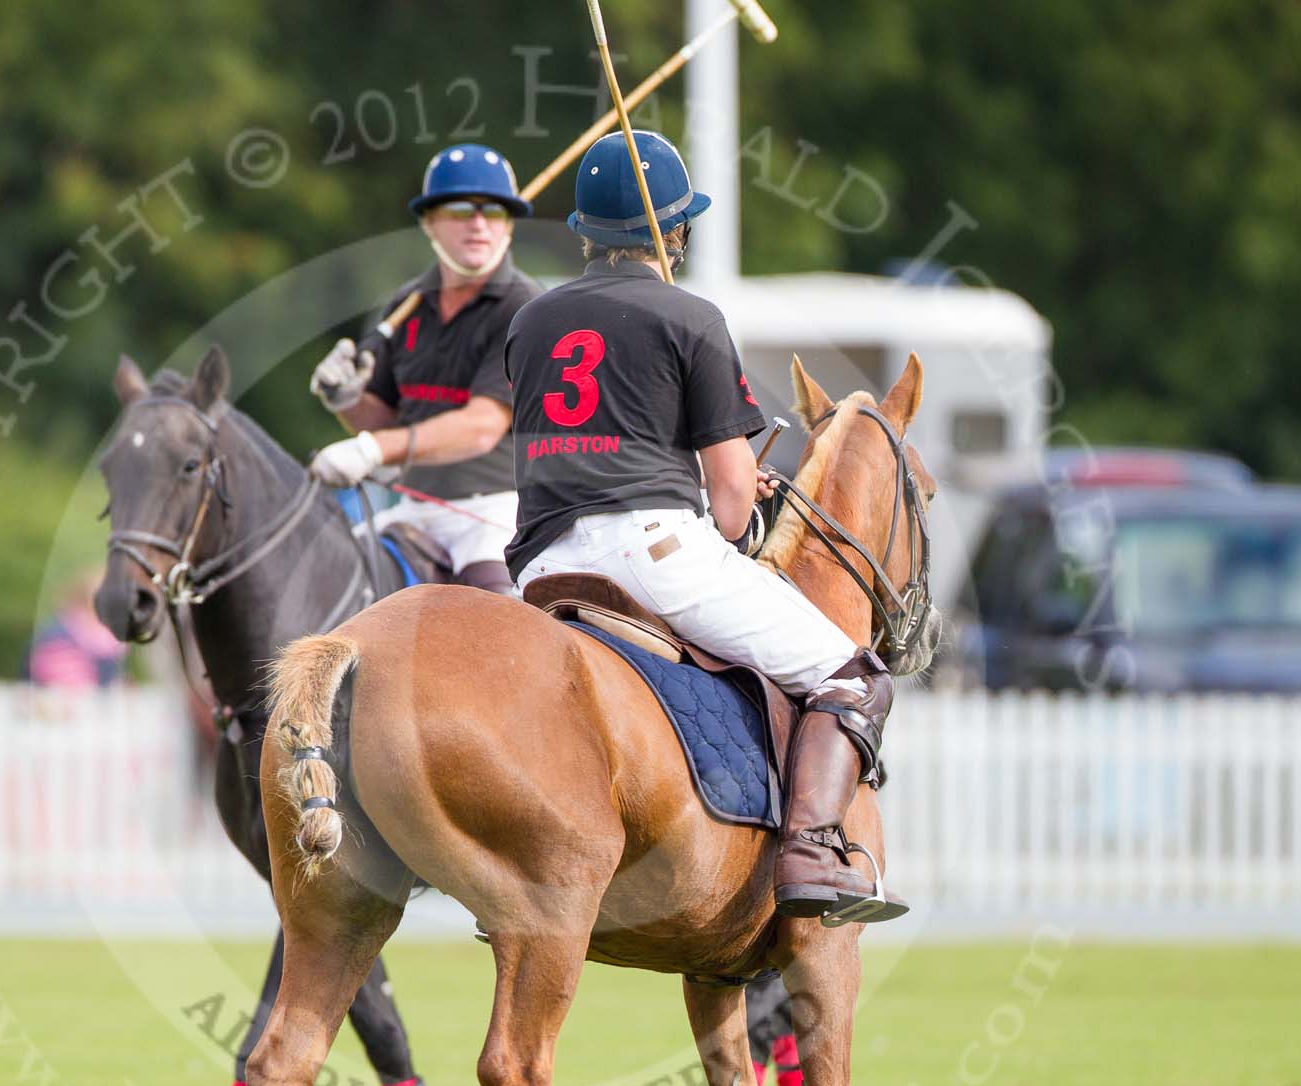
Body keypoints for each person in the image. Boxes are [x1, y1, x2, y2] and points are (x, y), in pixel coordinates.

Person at [503, 130, 898, 919]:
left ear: (585, 231)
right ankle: (812, 851)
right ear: (673, 231)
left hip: (541, 566)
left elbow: (598, 436)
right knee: (853, 671)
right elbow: (726, 505)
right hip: (653, 553)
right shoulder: (692, 317)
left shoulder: (530, 321)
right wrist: (743, 498)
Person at [306, 143, 541, 596]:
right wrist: (347, 400)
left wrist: (371, 449)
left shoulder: (523, 307)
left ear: (508, 225)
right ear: (429, 222)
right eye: (459, 209)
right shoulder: (406, 306)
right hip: (415, 509)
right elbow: (392, 423)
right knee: (318, 588)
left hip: (495, 513)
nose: (477, 224)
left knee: (504, 626)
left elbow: (480, 427)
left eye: (493, 211)